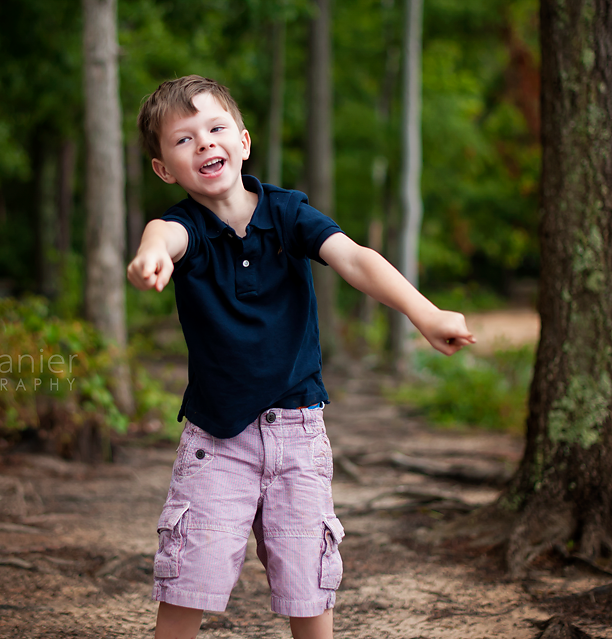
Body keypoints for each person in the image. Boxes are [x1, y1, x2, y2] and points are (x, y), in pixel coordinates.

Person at [127, 75, 475, 639]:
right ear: (165, 168)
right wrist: (149, 260)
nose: (205, 143)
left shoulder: (287, 214)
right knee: (189, 574)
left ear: (243, 141)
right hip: (217, 443)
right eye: (184, 140)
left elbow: (356, 259)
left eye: (215, 129)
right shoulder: (184, 228)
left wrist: (425, 313)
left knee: (308, 583)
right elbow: (160, 236)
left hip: (299, 435)